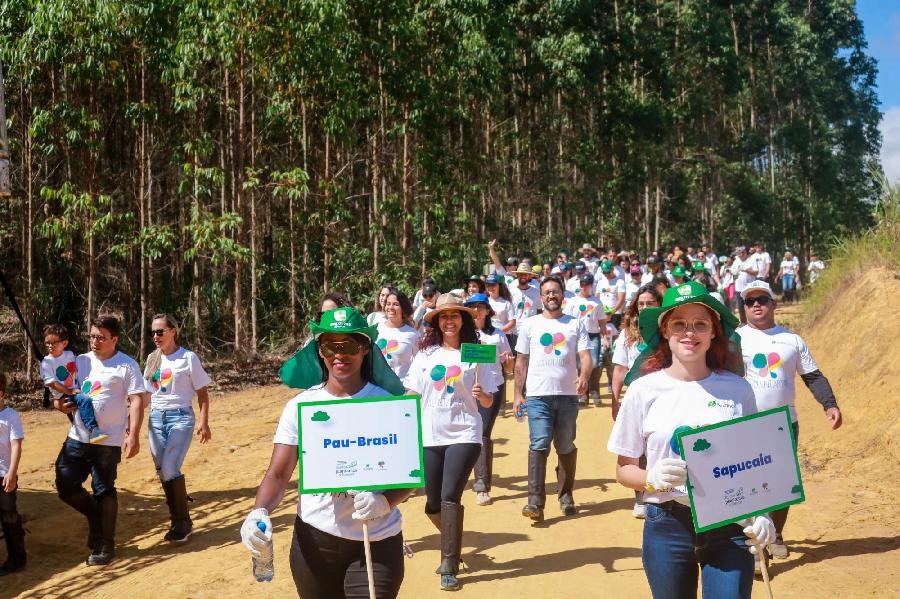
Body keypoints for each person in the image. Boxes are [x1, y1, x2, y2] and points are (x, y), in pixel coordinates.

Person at [607, 281, 775, 598]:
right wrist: (650, 478)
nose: (689, 333)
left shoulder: (738, 390)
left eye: (700, 324)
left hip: (730, 525)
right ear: (665, 331)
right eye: (679, 324)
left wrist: (763, 514)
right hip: (666, 524)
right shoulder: (643, 391)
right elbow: (623, 469)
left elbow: (757, 462)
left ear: (713, 333)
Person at [244, 307, 411, 598]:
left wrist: (384, 501)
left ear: (365, 348)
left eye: (349, 345)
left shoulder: (389, 405)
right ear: (319, 351)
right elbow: (278, 473)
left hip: (377, 542)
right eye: (329, 346)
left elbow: (411, 477)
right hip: (315, 541)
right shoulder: (300, 408)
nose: (339, 354)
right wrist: (260, 511)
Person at [737, 280, 841, 562]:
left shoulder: (792, 340)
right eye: (749, 301)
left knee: (781, 482)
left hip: (784, 423)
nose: (756, 304)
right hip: (745, 424)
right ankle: (756, 543)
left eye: (762, 299)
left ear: (774, 304)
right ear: (744, 307)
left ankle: (776, 534)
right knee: (751, 480)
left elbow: (813, 376)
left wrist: (829, 404)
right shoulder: (735, 339)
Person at [404, 294, 497, 591]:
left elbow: (488, 398)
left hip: (465, 433)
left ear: (464, 320)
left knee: (449, 496)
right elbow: (413, 395)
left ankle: (449, 564)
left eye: (455, 316)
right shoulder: (425, 356)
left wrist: (482, 393)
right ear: (436, 322)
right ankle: (451, 537)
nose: (449, 321)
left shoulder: (476, 352)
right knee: (432, 503)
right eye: (443, 316)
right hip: (430, 435)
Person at [54, 315, 145, 566]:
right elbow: (59, 393)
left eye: (101, 337)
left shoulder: (126, 365)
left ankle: (105, 543)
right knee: (65, 484)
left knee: (104, 489)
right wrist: (61, 406)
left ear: (114, 339)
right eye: (92, 336)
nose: (95, 341)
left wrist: (133, 434)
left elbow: (137, 399)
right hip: (77, 436)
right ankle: (96, 516)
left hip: (108, 440)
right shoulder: (79, 361)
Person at [514, 276, 591, 522]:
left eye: (555, 292)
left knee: (565, 445)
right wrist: (517, 394)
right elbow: (521, 361)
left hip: (568, 396)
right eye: (546, 292)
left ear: (562, 295)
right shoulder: (529, 325)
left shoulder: (575, 323)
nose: (550, 296)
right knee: (539, 443)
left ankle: (565, 495)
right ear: (541, 297)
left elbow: (586, 357)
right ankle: (535, 501)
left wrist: (585, 375)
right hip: (538, 395)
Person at [143, 314, 212, 543]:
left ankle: (183, 523)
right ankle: (177, 519)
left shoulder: (188, 358)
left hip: (180, 417)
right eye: (153, 332)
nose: (155, 336)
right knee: (163, 469)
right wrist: (129, 424)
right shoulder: (152, 359)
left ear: (174, 331)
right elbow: (146, 394)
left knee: (170, 467)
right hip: (155, 419)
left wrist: (203, 421)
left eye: (160, 331)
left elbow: (202, 392)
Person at [609, 284, 662, 519]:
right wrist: (615, 399)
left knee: (659, 443)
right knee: (637, 447)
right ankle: (641, 497)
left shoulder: (667, 331)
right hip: (636, 398)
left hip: (665, 395)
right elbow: (620, 369)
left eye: (650, 303)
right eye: (641, 303)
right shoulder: (626, 335)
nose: (645, 307)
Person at [462, 293, 513, 506]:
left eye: (480, 307)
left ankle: (482, 485)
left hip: (492, 388)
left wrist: (507, 361)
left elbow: (509, 368)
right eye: (471, 307)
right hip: (465, 388)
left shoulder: (498, 335)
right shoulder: (462, 335)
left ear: (487, 311)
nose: (476, 310)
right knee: (469, 431)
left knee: (482, 433)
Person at [41, 323, 107, 443]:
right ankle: (93, 430)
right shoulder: (47, 362)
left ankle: (83, 433)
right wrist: (69, 391)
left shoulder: (70, 355)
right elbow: (51, 383)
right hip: (63, 395)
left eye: (54, 342)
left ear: (64, 343)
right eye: (47, 343)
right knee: (84, 400)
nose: (50, 346)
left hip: (75, 390)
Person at [563, 274, 605, 406]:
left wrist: (605, 337)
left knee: (595, 364)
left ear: (591, 285)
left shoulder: (596, 302)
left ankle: (594, 390)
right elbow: (566, 320)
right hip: (577, 337)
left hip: (593, 336)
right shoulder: (572, 302)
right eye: (582, 284)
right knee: (580, 366)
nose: (584, 286)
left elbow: (602, 321)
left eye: (587, 284)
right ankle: (583, 394)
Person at [0, 373, 25, 575]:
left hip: (4, 475)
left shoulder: (10, 416)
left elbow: (16, 446)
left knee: (9, 515)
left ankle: (17, 557)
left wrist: (12, 473)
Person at [375, 288, 420, 380]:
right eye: (388, 304)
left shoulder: (413, 334)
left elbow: (420, 364)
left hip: (402, 388)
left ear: (403, 308)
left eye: (395, 304)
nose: (391, 307)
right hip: (378, 387)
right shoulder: (376, 329)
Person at [733, 246, 758, 324]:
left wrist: (747, 270)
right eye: (738, 253)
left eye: (741, 253)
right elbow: (733, 272)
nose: (739, 255)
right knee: (740, 306)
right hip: (738, 287)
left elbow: (756, 272)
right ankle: (743, 323)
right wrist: (734, 272)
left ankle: (753, 321)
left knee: (750, 305)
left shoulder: (752, 260)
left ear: (745, 253)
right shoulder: (736, 261)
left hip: (749, 287)